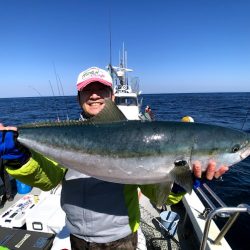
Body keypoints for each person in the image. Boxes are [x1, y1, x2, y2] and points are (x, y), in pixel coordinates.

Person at [0, 66, 228, 250]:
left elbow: (156, 195)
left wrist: (179, 186)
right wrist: (18, 159)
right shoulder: (61, 134)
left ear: (112, 95)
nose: (95, 95)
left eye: (102, 89)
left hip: (120, 238)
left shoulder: (139, 134)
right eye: (88, 90)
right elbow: (49, 180)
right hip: (77, 234)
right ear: (79, 97)